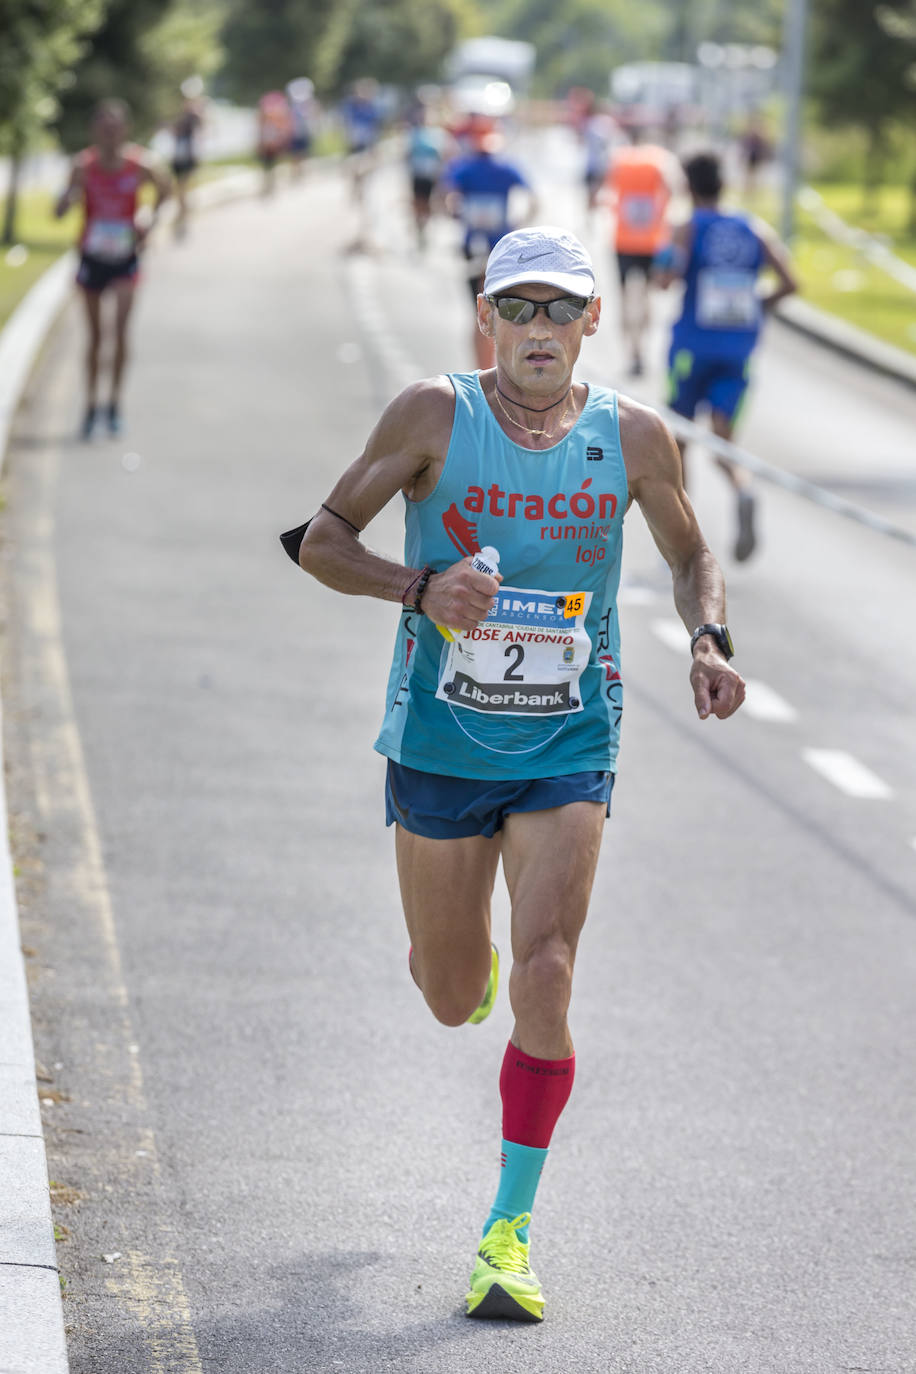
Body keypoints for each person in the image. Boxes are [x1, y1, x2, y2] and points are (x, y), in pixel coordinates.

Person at [284, 225, 746, 1322]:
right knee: (455, 995)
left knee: (545, 968)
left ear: (593, 321)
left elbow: (689, 556)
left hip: (568, 739)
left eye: (560, 310)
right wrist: (417, 588)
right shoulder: (429, 416)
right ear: (485, 317)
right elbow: (320, 539)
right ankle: (456, 961)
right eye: (518, 308)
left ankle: (507, 1233)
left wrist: (709, 637)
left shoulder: (631, 437)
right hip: (442, 744)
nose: (539, 330)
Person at [655, 151, 798, 561]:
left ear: (688, 185)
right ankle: (743, 487)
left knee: (678, 441)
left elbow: (666, 279)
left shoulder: (686, 227)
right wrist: (757, 307)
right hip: (738, 352)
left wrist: (665, 265)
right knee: (724, 441)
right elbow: (791, 282)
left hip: (691, 350)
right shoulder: (754, 229)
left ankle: (685, 539)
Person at [55, 99, 170, 439]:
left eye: (115, 127)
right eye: (103, 128)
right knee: (94, 337)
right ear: (94, 131)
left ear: (125, 129)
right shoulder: (83, 166)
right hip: (92, 258)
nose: (109, 134)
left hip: (125, 259)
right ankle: (90, 406)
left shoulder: (141, 165)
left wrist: (149, 218)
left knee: (119, 332)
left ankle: (114, 404)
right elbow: (61, 207)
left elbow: (165, 192)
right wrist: (66, 200)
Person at [442, 130, 535, 368]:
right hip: (499, 249)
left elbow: (448, 197)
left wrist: (458, 214)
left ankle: (484, 371)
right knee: (494, 313)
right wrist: (517, 225)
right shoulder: (505, 168)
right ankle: (489, 371)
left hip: (479, 248)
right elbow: (533, 199)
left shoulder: (466, 167)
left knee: (483, 313)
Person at [604, 136, 679, 377]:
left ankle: (632, 350)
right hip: (651, 240)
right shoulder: (659, 160)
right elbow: (672, 189)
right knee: (646, 296)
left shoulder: (619, 160)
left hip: (623, 239)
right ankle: (642, 348)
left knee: (625, 297)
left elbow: (607, 192)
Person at [405, 104, 450, 250]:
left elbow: (444, 155)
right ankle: (419, 227)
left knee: (430, 203)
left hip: (431, 174)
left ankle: (426, 226)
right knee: (418, 202)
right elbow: (408, 154)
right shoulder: (414, 134)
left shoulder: (438, 134)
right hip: (418, 174)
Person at [169, 84, 204, 237]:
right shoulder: (178, 116)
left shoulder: (194, 117)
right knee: (179, 187)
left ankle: (184, 213)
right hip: (178, 154)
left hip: (188, 155)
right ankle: (183, 211)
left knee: (184, 186)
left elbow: (199, 134)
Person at [256, 90, 294, 194]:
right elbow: (260, 134)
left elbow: (281, 133)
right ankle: (267, 183)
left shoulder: (276, 121)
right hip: (265, 146)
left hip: (272, 146)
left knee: (271, 164)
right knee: (265, 165)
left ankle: (271, 183)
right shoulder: (262, 120)